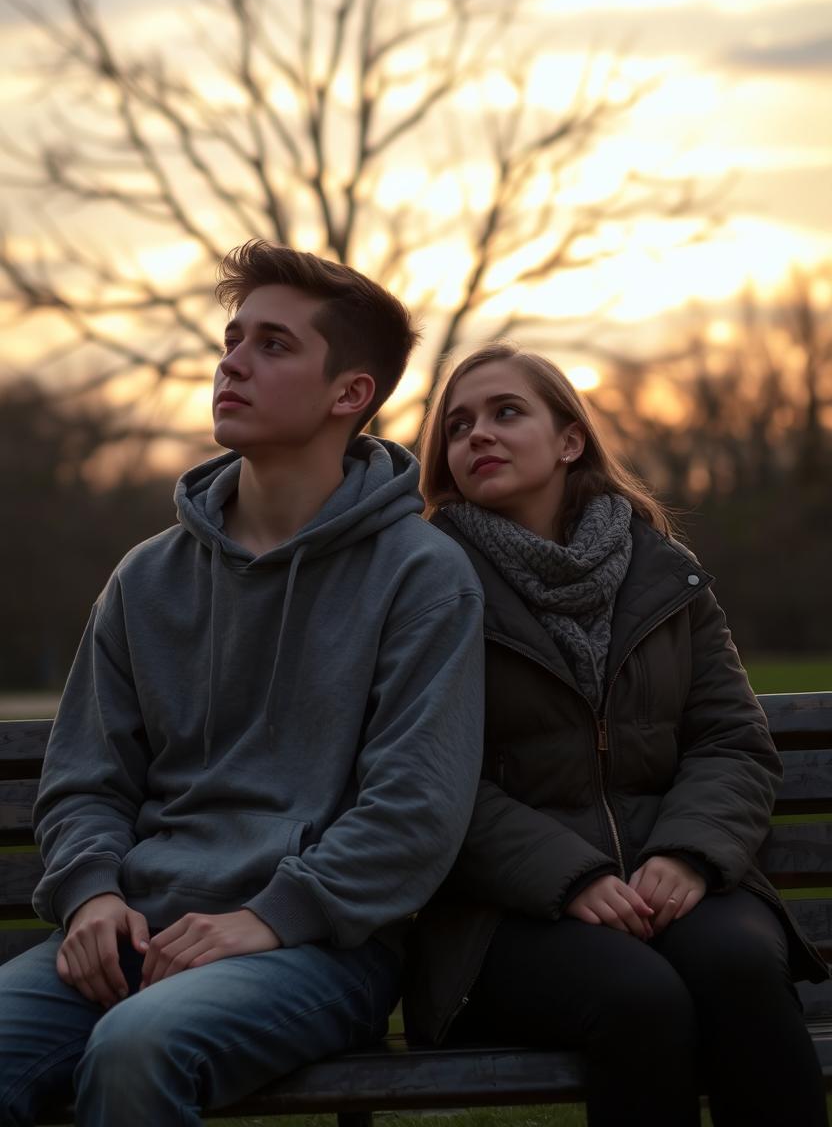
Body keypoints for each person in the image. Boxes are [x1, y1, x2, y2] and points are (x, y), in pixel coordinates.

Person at [0, 242, 485, 1127]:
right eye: (233, 339)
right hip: (137, 932)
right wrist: (92, 894)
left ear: (351, 394)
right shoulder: (146, 577)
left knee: (139, 1048)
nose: (232, 362)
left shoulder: (422, 576)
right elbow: (85, 779)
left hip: (317, 946)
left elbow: (416, 809)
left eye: (273, 345)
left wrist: (267, 916)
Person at [405, 341, 829, 1127]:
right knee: (641, 998)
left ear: (569, 440)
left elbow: (733, 739)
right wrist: (570, 878)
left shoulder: (664, 572)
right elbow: (430, 780)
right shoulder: (431, 585)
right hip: (504, 914)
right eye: (458, 426)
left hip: (679, 880)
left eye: (506, 412)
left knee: (736, 968)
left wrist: (688, 854)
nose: (477, 435)